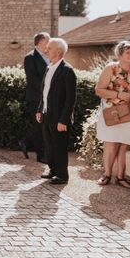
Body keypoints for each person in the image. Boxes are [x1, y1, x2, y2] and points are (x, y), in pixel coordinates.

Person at [95, 41, 130, 188]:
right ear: (119, 55)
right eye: (128, 52)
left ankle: (121, 177)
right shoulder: (110, 69)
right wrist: (119, 94)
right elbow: (99, 90)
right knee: (111, 144)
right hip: (113, 113)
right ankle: (106, 174)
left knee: (124, 146)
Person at [36, 38, 77, 185]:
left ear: (58, 51)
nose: (46, 51)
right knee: (49, 144)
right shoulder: (49, 68)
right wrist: (40, 109)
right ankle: (53, 170)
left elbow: (70, 99)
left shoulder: (67, 70)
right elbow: (44, 92)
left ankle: (62, 175)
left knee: (59, 147)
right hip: (47, 113)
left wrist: (63, 120)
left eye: (49, 48)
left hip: (59, 117)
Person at [23, 32, 50, 162]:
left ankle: (25, 142)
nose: (49, 44)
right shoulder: (30, 57)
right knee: (38, 125)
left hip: (48, 97)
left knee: (44, 124)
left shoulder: (49, 56)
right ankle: (40, 155)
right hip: (36, 97)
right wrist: (46, 91)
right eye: (47, 41)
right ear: (40, 42)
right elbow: (32, 79)